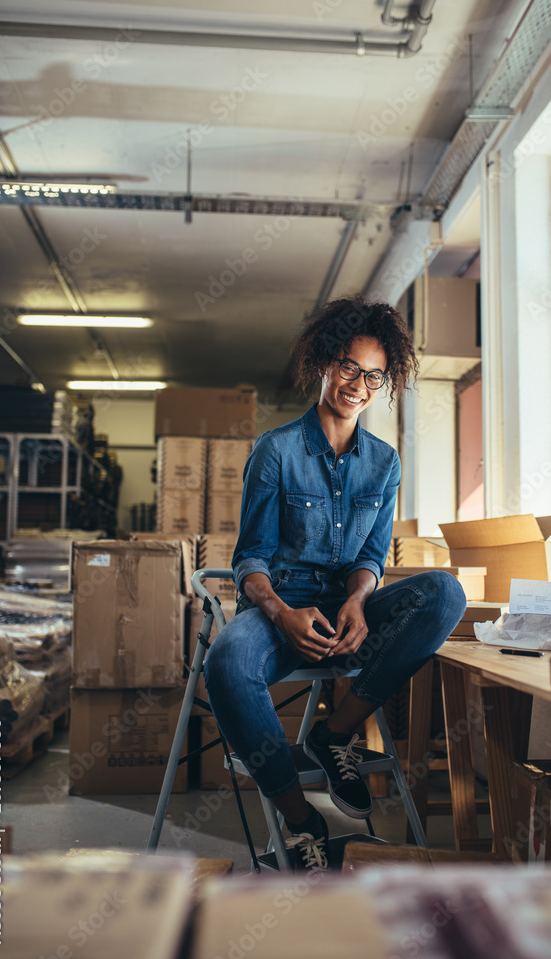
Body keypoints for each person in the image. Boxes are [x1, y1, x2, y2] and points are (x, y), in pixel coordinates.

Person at [204, 296, 466, 870]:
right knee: (224, 664)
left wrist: (358, 598)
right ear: (327, 361)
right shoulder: (275, 450)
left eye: (373, 375)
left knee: (445, 593)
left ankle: (334, 735)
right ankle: (301, 821)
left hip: (346, 614)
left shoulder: (384, 462)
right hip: (285, 609)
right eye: (349, 367)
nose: (358, 384)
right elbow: (250, 557)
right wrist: (279, 614)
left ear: (384, 381)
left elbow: (372, 554)